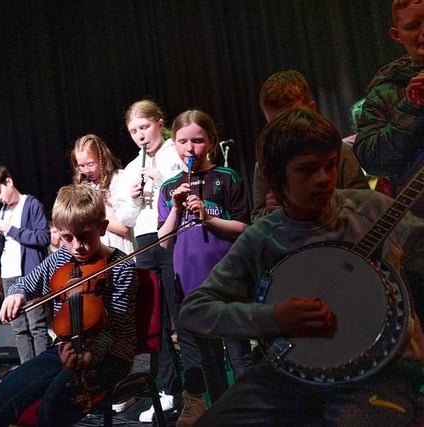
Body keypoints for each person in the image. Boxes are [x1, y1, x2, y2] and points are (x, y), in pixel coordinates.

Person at [180, 108, 424, 426]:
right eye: (307, 170)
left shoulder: (372, 208)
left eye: (330, 165)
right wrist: (272, 317)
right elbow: (194, 310)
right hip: (289, 374)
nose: (324, 178)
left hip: (383, 370)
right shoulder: (261, 238)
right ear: (278, 178)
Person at [0, 184, 138, 427]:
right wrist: (17, 293)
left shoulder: (120, 267)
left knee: (51, 411)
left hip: (109, 354)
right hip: (64, 348)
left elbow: (117, 329)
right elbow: (28, 282)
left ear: (102, 228)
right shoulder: (62, 257)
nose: (77, 247)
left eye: (84, 237)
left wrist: (91, 354)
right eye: (67, 238)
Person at [156, 109, 251, 427]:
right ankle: (223, 415)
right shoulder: (170, 188)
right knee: (209, 360)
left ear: (210, 141)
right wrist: (177, 209)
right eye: (182, 141)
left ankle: (249, 414)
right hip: (191, 284)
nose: (190, 148)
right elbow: (163, 241)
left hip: (228, 281)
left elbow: (244, 227)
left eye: (198, 140)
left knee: (239, 356)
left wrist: (208, 218)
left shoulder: (228, 177)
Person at [115, 99, 184, 421]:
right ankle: (168, 388)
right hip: (144, 242)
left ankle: (197, 387)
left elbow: (184, 189)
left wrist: (159, 180)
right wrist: (131, 197)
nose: (140, 136)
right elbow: (126, 219)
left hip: (172, 237)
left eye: (144, 127)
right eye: (133, 131)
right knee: (154, 319)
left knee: (180, 314)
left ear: (159, 122)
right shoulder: (131, 166)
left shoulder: (175, 152)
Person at [251, 69, 368, 221]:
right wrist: (269, 211)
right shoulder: (263, 164)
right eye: (275, 123)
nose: (286, 129)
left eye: (293, 118)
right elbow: (256, 219)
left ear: (311, 110)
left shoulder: (339, 150)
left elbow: (364, 202)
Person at [354, 0, 424, 217]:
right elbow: (371, 160)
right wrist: (410, 109)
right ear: (396, 35)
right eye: (413, 26)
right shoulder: (383, 92)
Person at [0, 165, 51, 363]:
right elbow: (4, 247)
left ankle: (43, 366)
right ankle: (27, 368)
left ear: (9, 182)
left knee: (36, 323)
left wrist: (11, 230)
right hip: (9, 273)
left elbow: (43, 237)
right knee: (18, 326)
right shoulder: (1, 213)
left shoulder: (31, 204)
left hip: (30, 272)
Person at [70, 133, 134, 255]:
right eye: (81, 166)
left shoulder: (119, 179)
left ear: (102, 159)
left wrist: (92, 216)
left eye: (90, 164)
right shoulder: (84, 186)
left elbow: (124, 227)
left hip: (118, 246)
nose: (86, 170)